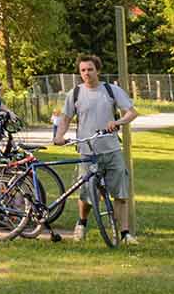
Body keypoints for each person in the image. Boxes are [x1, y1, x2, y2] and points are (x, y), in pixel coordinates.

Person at [53, 53, 139, 245]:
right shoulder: (74, 93)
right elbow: (65, 118)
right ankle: (81, 224)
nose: (86, 73)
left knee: (120, 193)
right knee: (86, 193)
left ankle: (125, 234)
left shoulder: (111, 90)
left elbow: (132, 112)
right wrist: (59, 136)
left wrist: (118, 122)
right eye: (83, 70)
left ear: (98, 70)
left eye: (90, 69)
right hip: (87, 152)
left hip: (111, 150)